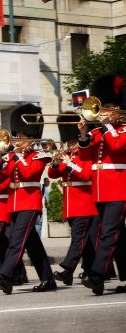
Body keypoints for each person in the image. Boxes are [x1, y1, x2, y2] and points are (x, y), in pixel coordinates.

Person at [0, 103, 57, 294]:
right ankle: (48, 279)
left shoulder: (40, 155)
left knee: (16, 240)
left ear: (31, 137)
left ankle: (6, 276)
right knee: (32, 244)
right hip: (14, 202)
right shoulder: (13, 156)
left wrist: (17, 157)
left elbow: (29, 174)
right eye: (17, 135)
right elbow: (0, 180)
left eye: (21, 136)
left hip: (29, 202)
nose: (17, 139)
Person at [79, 74, 126, 295]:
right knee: (116, 236)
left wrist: (107, 128)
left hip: (118, 188)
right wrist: (82, 135)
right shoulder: (98, 131)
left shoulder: (123, 130)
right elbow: (86, 156)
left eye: (108, 107)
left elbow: (116, 146)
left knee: (108, 234)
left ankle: (97, 275)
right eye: (102, 107)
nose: (104, 111)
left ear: (118, 108)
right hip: (100, 189)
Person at [48, 113, 98, 286]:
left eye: (72, 141)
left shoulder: (86, 155)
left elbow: (85, 175)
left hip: (84, 204)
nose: (70, 144)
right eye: (68, 141)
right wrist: (55, 163)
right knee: (86, 242)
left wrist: (69, 163)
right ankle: (91, 271)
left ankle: (67, 269)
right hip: (70, 205)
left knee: (78, 239)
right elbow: (53, 175)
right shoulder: (68, 155)